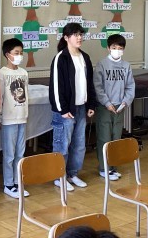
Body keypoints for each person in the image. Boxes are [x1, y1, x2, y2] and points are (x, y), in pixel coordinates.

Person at [49, 23, 97, 191]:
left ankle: (72, 174)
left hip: (81, 107)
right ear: (66, 38)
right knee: (62, 144)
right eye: (75, 35)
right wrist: (62, 109)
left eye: (80, 34)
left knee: (79, 144)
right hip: (65, 110)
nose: (79, 37)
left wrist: (91, 104)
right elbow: (56, 87)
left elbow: (89, 83)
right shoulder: (60, 58)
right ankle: (59, 177)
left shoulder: (85, 57)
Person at [93, 34, 135, 180]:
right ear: (108, 48)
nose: (117, 50)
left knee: (116, 137)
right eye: (114, 47)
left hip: (119, 107)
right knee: (104, 138)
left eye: (120, 48)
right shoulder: (102, 64)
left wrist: (125, 102)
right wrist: (107, 103)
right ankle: (104, 168)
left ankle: (113, 167)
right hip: (105, 107)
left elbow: (130, 86)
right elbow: (98, 87)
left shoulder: (126, 66)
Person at [0, 38, 29, 199]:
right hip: (8, 119)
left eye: (21, 52)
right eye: (16, 53)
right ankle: (8, 184)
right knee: (9, 154)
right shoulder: (1, 73)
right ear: (8, 54)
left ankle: (17, 181)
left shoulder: (24, 73)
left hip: (22, 117)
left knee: (20, 153)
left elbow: (25, 95)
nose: (19, 55)